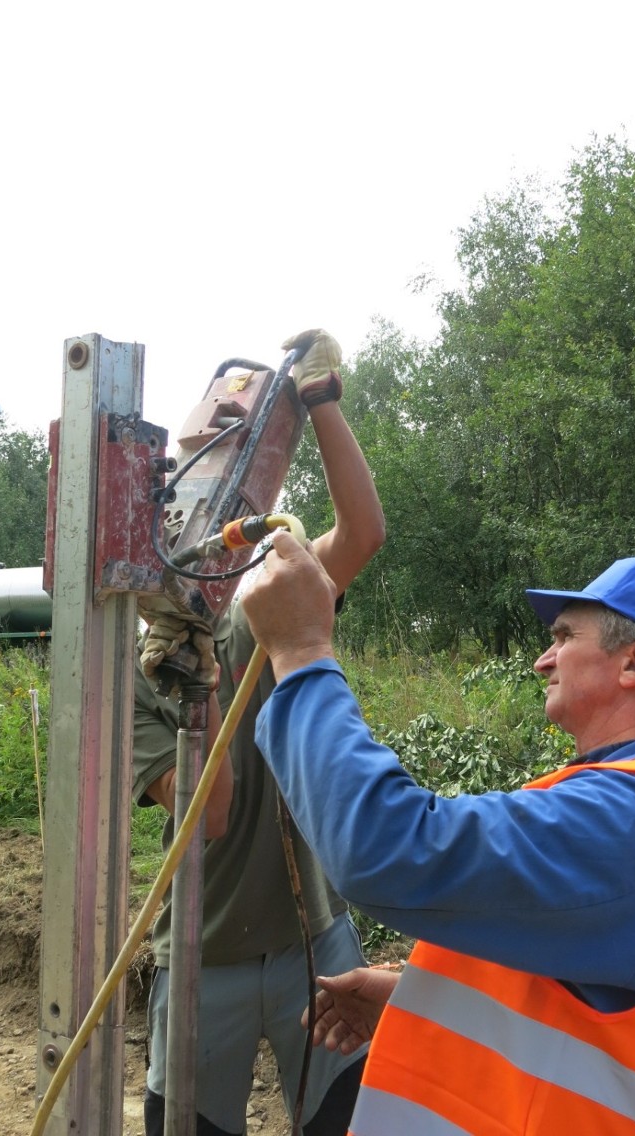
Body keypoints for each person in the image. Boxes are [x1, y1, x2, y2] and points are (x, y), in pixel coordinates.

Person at [240, 547, 635, 1136]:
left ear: (634, 663)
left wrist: (301, 654)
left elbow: (387, 850)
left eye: (563, 636)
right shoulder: (631, 805)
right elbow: (571, 995)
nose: (541, 660)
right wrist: (420, 997)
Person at [133, 330, 385, 1136]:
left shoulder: (262, 604)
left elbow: (362, 533)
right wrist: (196, 680)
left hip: (315, 934)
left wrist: (320, 403)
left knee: (344, 1118)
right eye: (206, 443)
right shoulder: (138, 669)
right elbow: (208, 814)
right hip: (206, 957)